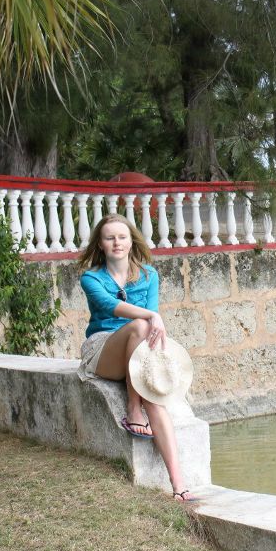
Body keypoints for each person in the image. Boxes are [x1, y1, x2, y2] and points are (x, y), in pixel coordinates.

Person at [76, 213, 193, 501]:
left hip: (139, 347)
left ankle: (179, 486)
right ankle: (133, 406)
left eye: (122, 237)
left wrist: (152, 318)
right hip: (103, 348)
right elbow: (109, 306)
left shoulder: (149, 275)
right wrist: (151, 316)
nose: (116, 242)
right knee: (140, 325)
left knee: (155, 398)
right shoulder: (91, 278)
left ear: (131, 241)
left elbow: (152, 319)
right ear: (101, 244)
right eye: (109, 238)